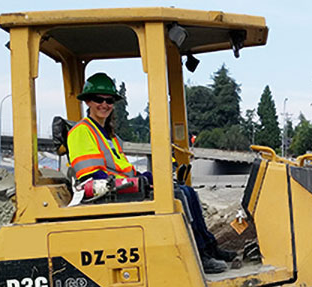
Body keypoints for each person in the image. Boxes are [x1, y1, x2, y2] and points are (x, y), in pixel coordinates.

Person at [67, 72, 235, 273]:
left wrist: (142, 177)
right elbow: (92, 177)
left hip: (121, 189)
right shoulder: (81, 132)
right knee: (179, 195)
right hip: (107, 195)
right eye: (98, 100)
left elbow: (122, 169)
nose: (104, 104)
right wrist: (136, 184)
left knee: (187, 191)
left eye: (109, 100)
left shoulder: (109, 136)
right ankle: (198, 254)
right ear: (87, 101)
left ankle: (208, 246)